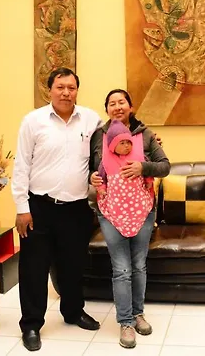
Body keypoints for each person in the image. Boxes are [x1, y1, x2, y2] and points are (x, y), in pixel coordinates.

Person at [12, 67, 102, 352]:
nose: (66, 93)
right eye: (60, 87)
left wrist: (149, 143)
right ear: (49, 90)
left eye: (71, 88)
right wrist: (22, 208)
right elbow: (21, 165)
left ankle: (73, 312)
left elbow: (116, 139)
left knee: (73, 266)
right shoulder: (33, 121)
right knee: (34, 269)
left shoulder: (91, 119)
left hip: (76, 209)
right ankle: (31, 325)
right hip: (39, 207)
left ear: (77, 91)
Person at [89, 89, 170, 349]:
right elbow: (90, 167)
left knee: (139, 265)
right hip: (110, 211)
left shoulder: (145, 134)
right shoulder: (98, 136)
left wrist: (143, 167)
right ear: (107, 109)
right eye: (111, 103)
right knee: (121, 268)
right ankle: (125, 322)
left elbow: (165, 166)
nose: (117, 107)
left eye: (121, 102)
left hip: (142, 210)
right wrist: (92, 177)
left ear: (130, 106)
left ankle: (138, 314)